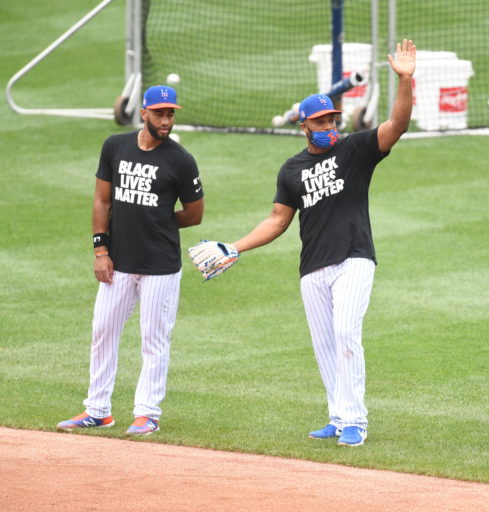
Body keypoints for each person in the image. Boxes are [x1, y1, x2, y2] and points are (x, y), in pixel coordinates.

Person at [207, 39, 416, 447]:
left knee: (345, 333)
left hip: (355, 259)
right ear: (304, 125)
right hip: (312, 268)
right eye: (321, 123)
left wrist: (405, 81)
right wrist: (235, 246)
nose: (329, 128)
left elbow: (398, 126)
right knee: (324, 344)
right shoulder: (291, 170)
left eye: (333, 121)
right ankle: (338, 416)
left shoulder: (355, 150)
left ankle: (356, 420)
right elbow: (277, 220)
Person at [57, 85, 204, 435]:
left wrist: (160, 221)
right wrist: (100, 250)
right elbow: (101, 201)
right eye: (160, 113)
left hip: (161, 266)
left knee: (153, 339)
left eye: (170, 114)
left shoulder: (181, 160)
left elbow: (194, 214)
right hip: (117, 262)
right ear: (145, 113)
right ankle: (97, 410)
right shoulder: (115, 147)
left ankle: (147, 413)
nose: (166, 121)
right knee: (103, 332)